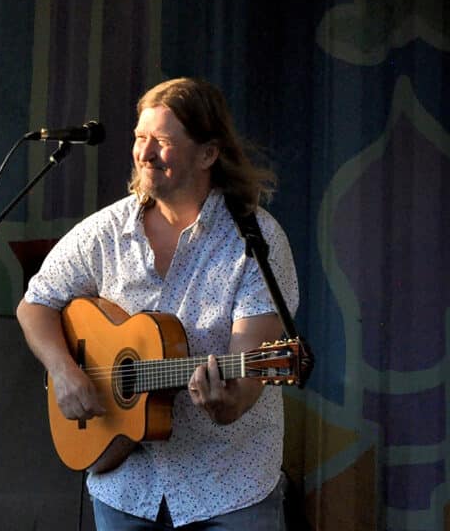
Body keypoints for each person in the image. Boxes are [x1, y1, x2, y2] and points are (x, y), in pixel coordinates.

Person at [16, 77, 298, 530]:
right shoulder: (104, 232)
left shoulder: (255, 241)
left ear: (208, 154)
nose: (144, 153)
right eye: (139, 138)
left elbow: (249, 373)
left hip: (228, 486)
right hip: (125, 485)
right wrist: (64, 372)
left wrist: (227, 404)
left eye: (162, 142)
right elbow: (35, 305)